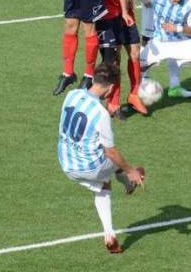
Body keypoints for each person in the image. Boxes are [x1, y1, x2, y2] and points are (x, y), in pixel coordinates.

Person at [57, 62, 145, 254]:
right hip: (88, 167)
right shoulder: (101, 114)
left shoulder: (71, 95)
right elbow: (111, 152)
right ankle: (129, 183)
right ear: (111, 87)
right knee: (109, 172)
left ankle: (125, 183)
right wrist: (131, 170)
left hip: (65, 161)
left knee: (103, 176)